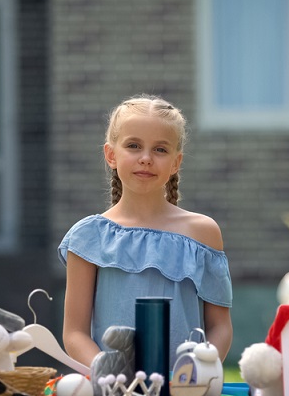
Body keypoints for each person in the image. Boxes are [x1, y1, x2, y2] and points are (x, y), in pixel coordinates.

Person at [58, 94, 233, 368]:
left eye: (160, 150)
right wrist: (109, 376)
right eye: (134, 145)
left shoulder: (204, 233)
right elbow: (74, 333)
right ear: (111, 155)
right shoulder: (87, 238)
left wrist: (195, 377)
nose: (146, 158)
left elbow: (220, 328)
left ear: (176, 163)